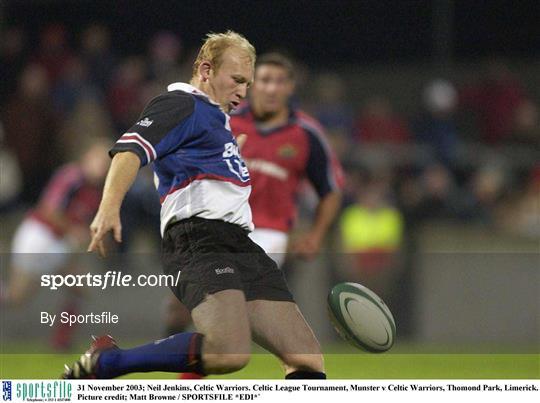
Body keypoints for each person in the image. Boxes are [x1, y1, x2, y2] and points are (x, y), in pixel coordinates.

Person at [63, 31, 325, 380]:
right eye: (236, 80)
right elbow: (129, 150)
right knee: (229, 351)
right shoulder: (182, 104)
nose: (243, 92)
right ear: (205, 69)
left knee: (306, 360)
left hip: (241, 244)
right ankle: (107, 362)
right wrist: (108, 208)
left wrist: (228, 155)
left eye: (246, 83)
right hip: (199, 239)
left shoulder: (219, 123)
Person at [174, 52, 344, 379]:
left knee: (227, 304)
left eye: (279, 81)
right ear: (252, 85)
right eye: (264, 80)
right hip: (215, 228)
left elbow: (331, 190)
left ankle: (186, 380)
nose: (271, 88)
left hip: (268, 233)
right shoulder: (225, 121)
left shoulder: (306, 133)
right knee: (184, 309)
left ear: (290, 87)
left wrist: (315, 236)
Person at [4, 139, 111, 348]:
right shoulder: (71, 176)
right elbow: (49, 209)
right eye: (98, 160)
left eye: (106, 163)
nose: (101, 166)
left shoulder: (98, 190)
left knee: (80, 287)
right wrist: (74, 230)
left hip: (59, 243)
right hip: (40, 236)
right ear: (85, 157)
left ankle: (61, 342)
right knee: (16, 297)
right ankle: (60, 341)